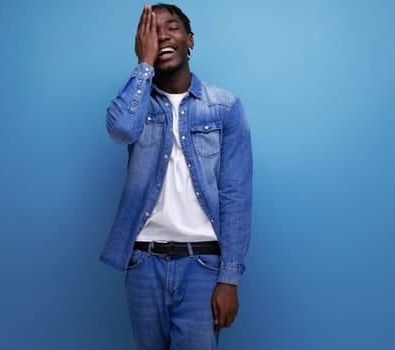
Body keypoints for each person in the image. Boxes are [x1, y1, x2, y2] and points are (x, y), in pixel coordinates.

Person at [100, 3, 252, 349]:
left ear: (190, 40)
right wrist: (143, 66)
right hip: (143, 262)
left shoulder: (224, 107)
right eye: (153, 31)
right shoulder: (135, 104)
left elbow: (236, 195)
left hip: (202, 265)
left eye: (172, 27)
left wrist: (230, 278)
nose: (164, 35)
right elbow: (121, 129)